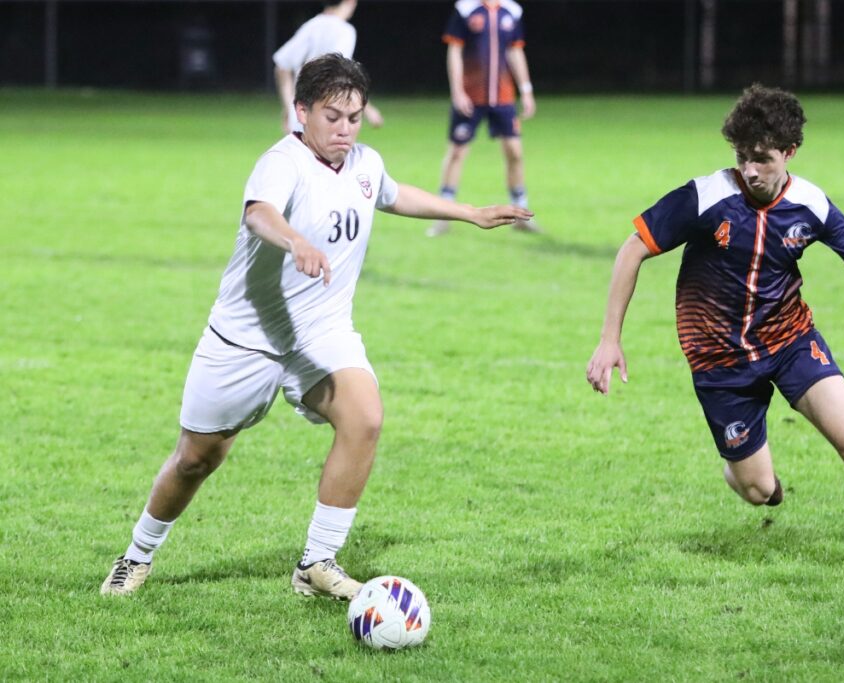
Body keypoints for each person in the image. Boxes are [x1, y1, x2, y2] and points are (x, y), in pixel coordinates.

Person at [101, 54, 532, 598]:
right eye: (332, 117)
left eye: (353, 117)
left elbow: (393, 195)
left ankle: (316, 563)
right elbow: (260, 213)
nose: (344, 129)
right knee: (195, 459)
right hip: (247, 338)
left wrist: (468, 212)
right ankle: (136, 555)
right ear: (301, 110)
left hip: (320, 334)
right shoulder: (282, 162)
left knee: (365, 417)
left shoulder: (364, 163)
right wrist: (295, 240)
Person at [586, 84, 844, 588]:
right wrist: (610, 339)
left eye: (762, 158)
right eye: (741, 157)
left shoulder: (810, 204)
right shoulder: (706, 196)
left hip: (791, 341)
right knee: (759, 491)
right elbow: (633, 249)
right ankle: (745, 472)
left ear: (790, 153)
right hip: (719, 361)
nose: (750, 169)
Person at [426, 0, 541, 237]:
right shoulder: (466, 9)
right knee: (457, 152)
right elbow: (455, 51)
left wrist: (526, 90)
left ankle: (521, 214)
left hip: (503, 97)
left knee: (515, 153)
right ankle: (443, 215)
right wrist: (457, 91)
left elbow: (514, 50)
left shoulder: (512, 10)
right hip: (471, 95)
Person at [273, 0, 383, 134]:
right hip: (329, 113)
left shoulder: (311, 26)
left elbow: (282, 66)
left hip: (302, 112)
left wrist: (290, 107)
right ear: (350, 2)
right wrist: (367, 109)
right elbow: (341, 73)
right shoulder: (345, 31)